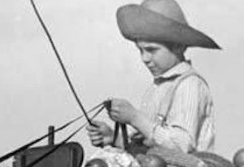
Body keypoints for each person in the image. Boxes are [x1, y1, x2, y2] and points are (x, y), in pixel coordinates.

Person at [87, 0, 220, 155]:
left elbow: (181, 146)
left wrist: (135, 117)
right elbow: (151, 150)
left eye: (151, 50)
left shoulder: (190, 85)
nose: (145, 58)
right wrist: (114, 139)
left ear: (178, 46)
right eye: (140, 50)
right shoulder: (158, 87)